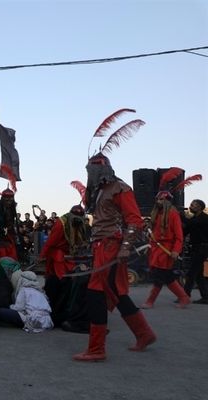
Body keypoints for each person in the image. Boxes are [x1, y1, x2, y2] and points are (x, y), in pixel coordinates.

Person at [73, 153, 156, 362]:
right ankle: (144, 334)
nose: (90, 172)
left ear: (103, 169)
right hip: (101, 246)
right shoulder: (100, 191)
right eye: (88, 168)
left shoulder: (120, 188)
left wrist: (125, 248)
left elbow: (135, 221)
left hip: (112, 245)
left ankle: (97, 348)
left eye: (94, 168)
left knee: (96, 294)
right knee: (116, 293)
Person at [39, 205, 91, 332]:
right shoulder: (61, 224)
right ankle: (57, 313)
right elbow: (51, 242)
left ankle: (66, 311)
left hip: (70, 257)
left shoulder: (81, 224)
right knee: (60, 283)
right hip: (58, 257)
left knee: (70, 283)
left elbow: (82, 241)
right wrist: (42, 256)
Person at [141, 191, 190, 308]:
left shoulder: (173, 214)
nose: (159, 202)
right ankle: (184, 297)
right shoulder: (156, 213)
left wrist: (176, 250)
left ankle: (150, 301)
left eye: (162, 199)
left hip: (166, 250)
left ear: (167, 201)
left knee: (160, 276)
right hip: (155, 249)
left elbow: (179, 236)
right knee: (165, 276)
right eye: (158, 199)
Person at [182, 199, 208, 304]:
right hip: (196, 248)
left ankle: (184, 295)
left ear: (200, 207)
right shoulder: (194, 219)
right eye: (191, 204)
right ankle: (206, 297)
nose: (191, 206)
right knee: (199, 275)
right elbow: (185, 230)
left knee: (191, 273)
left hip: (202, 248)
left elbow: (192, 223)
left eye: (194, 205)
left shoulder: (204, 218)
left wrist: (181, 216)